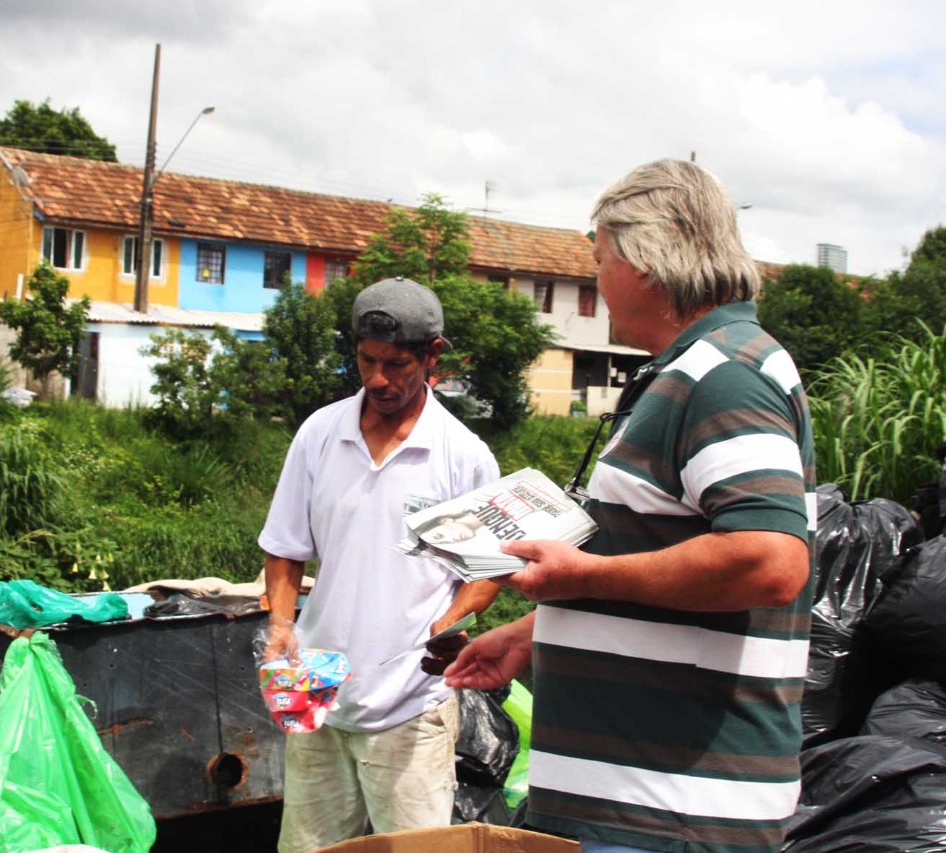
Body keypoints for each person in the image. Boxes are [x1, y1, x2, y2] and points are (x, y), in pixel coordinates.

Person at [445, 159, 816, 853]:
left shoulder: (723, 375)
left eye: (602, 258)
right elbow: (656, 555)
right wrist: (533, 634)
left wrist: (579, 577)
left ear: (649, 258)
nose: (597, 280)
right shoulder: (690, 371)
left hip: (670, 810)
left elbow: (769, 561)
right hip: (639, 802)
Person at [259, 276, 502, 853]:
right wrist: (280, 626)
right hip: (317, 690)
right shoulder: (320, 433)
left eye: (396, 364)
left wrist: (451, 620)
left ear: (433, 355)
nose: (377, 379)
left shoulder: (462, 454)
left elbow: (488, 570)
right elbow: (285, 546)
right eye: (366, 361)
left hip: (410, 702)